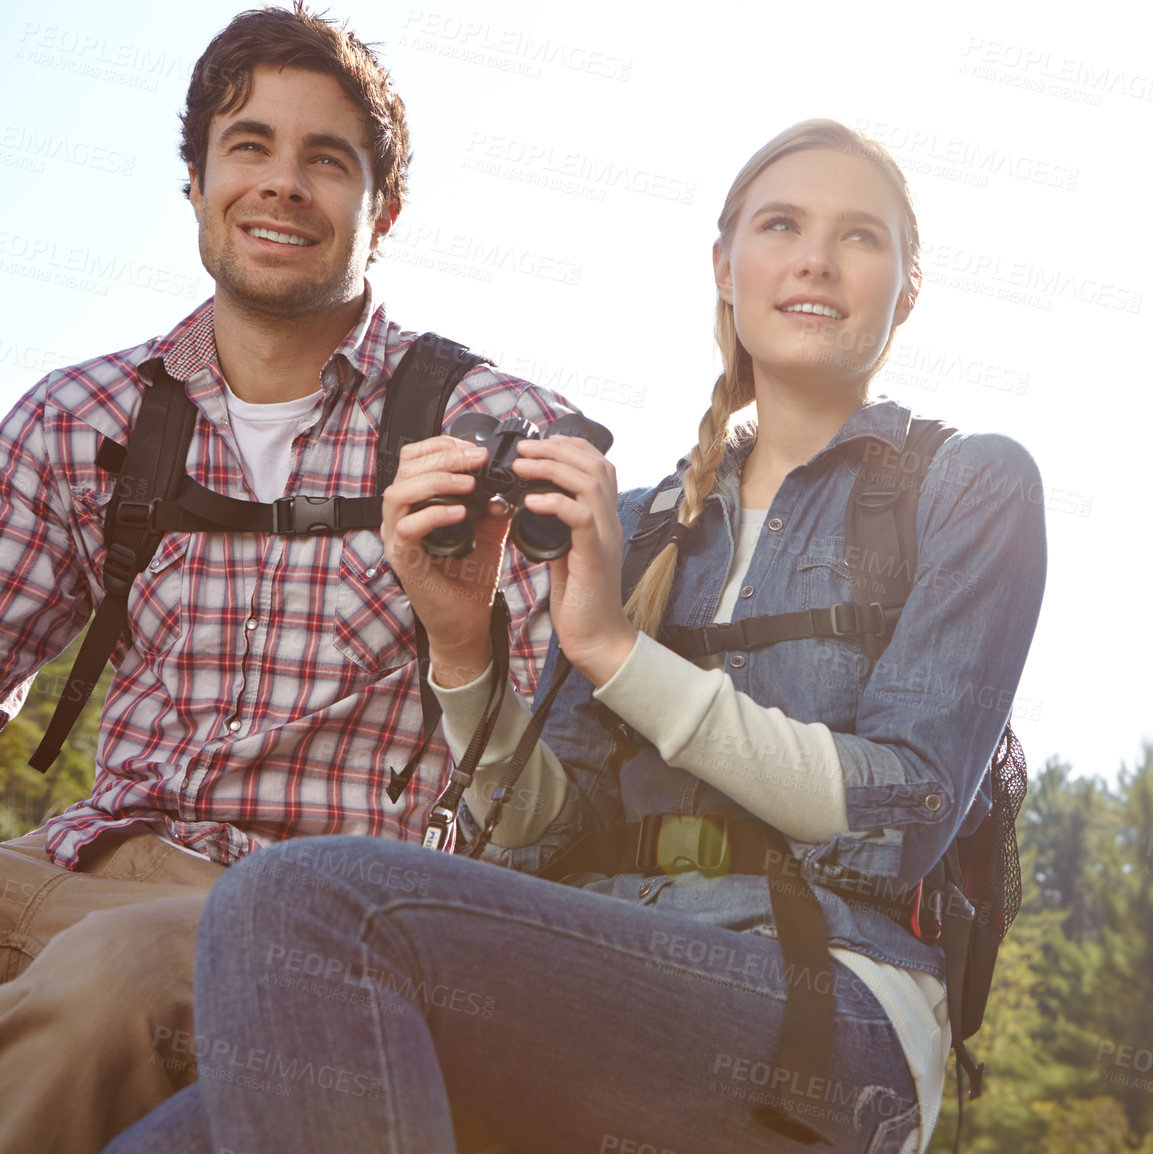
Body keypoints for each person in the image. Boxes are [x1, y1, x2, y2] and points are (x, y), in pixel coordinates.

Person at [106, 118, 1045, 1154]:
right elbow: (543, 837)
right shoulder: (642, 521)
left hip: (829, 1012)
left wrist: (616, 651)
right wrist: (460, 643)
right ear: (724, 266)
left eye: (860, 235)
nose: (816, 257)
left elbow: (896, 819)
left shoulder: (968, 484)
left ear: (908, 288)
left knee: (303, 897)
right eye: (781, 225)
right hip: (585, 975)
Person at [0, 5, 569, 1150]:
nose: (282, 184)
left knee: (102, 992)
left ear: (383, 209)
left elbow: (554, 783)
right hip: (77, 854)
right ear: (198, 182)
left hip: (303, 911)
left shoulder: (485, 427)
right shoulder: (84, 417)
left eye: (328, 159)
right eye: (249, 146)